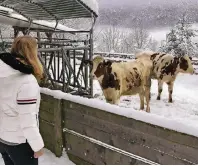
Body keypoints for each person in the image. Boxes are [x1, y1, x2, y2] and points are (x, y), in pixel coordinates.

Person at [0, 35, 44, 165]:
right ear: (32, 52)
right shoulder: (26, 82)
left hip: (3, 138)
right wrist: (37, 146)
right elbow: (27, 120)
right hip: (20, 142)